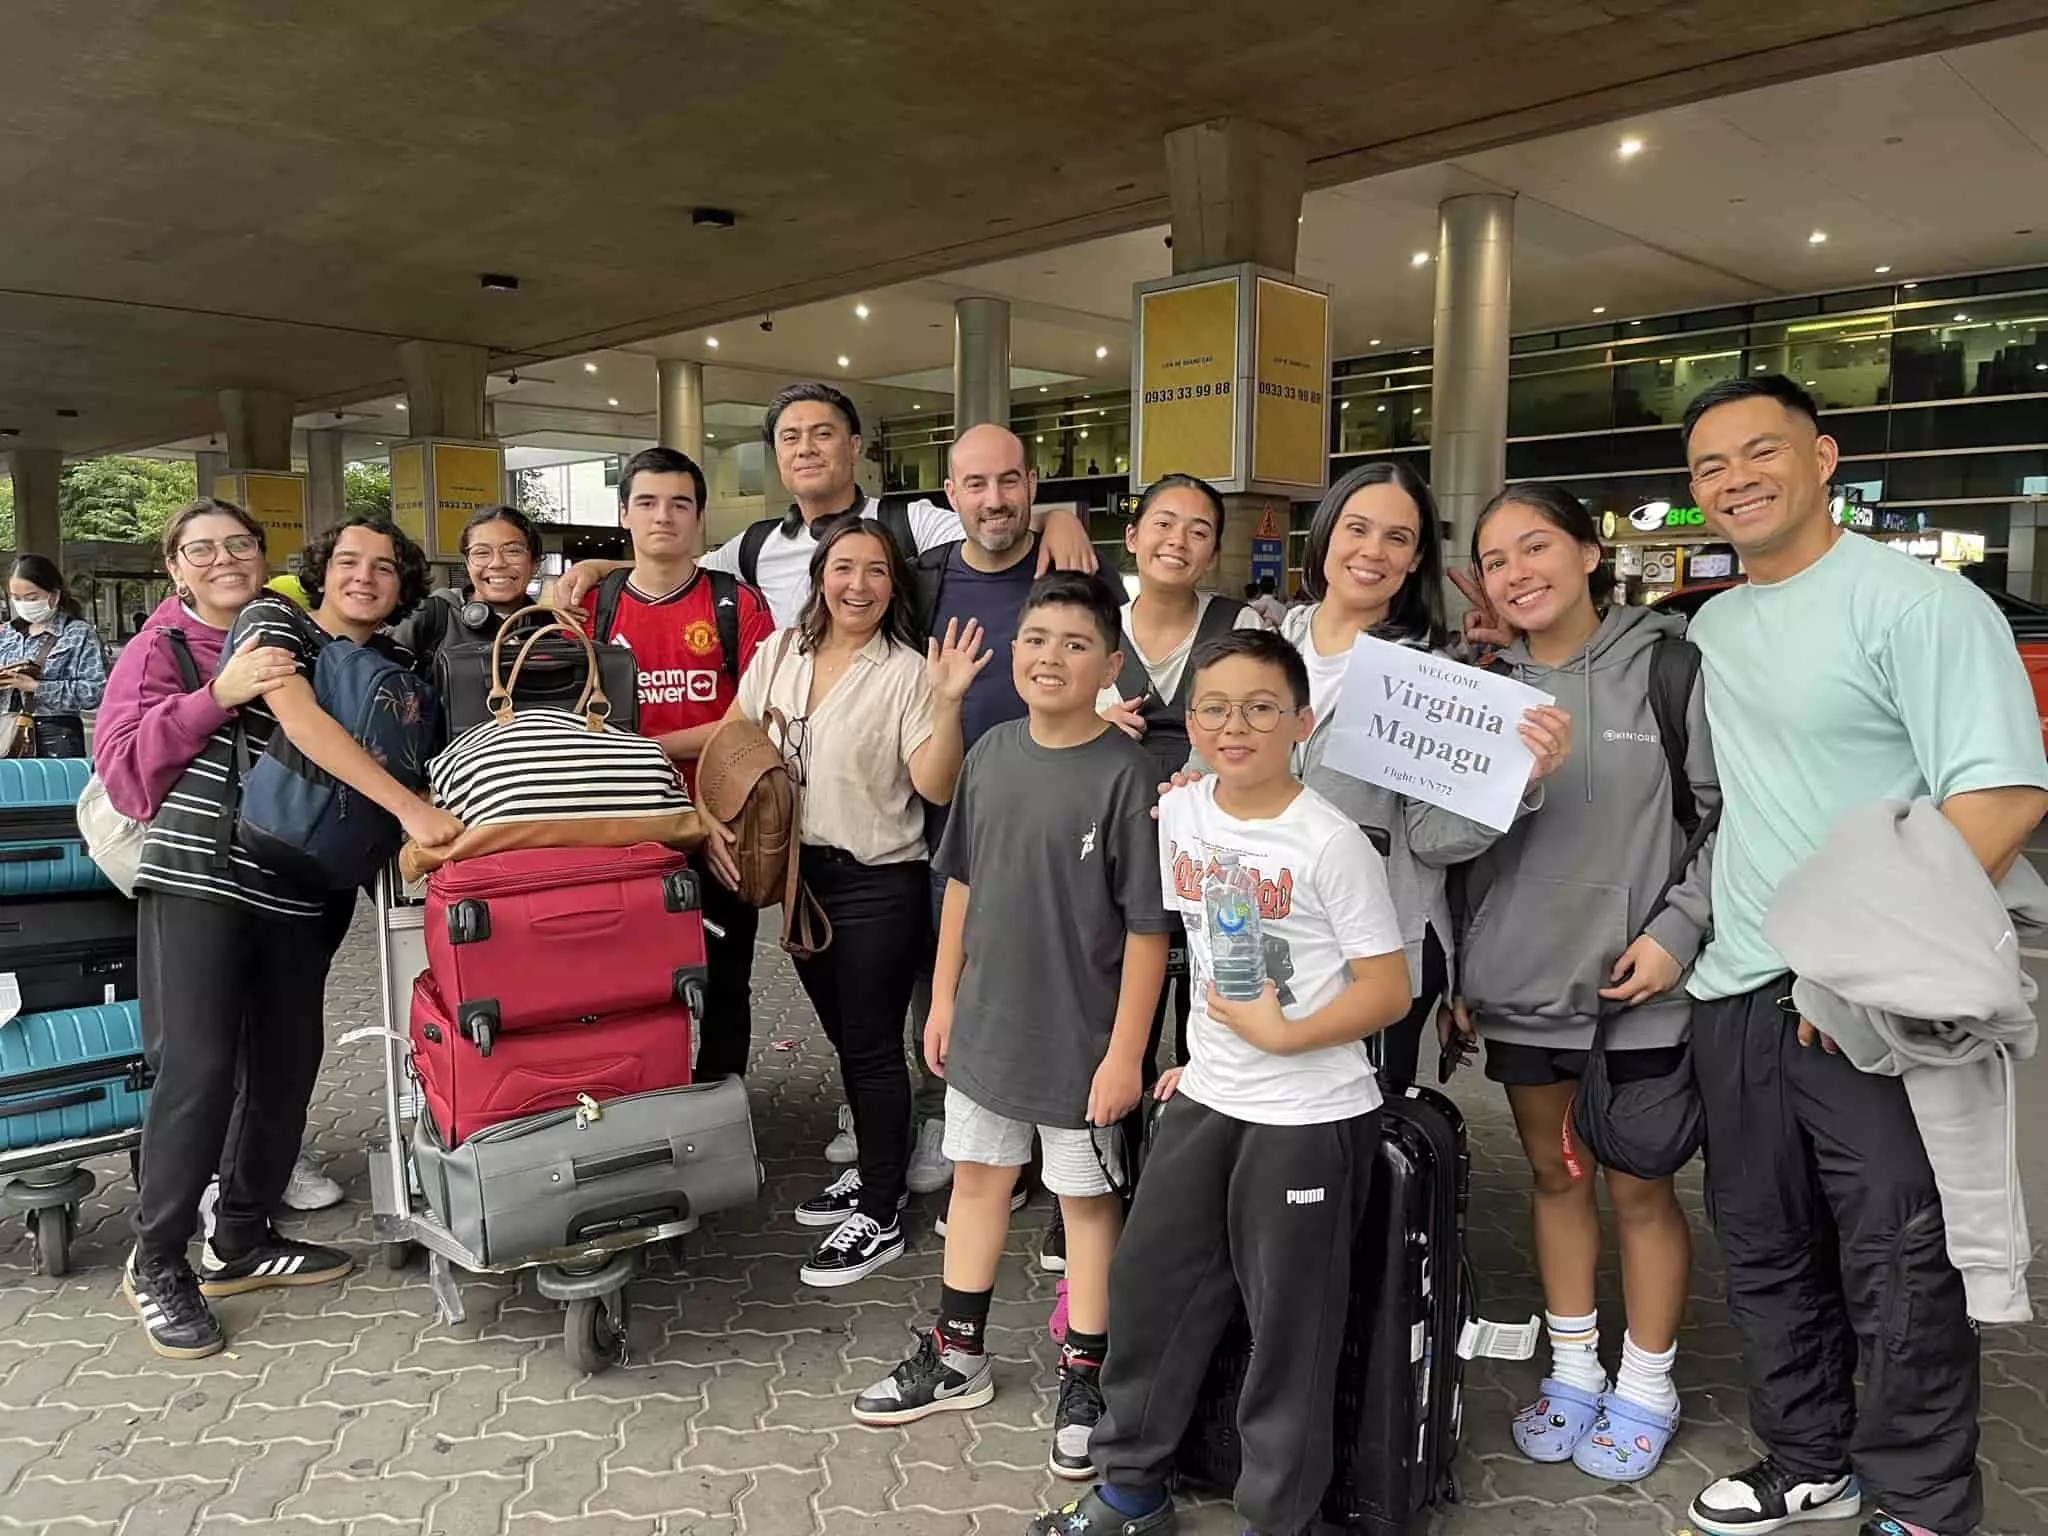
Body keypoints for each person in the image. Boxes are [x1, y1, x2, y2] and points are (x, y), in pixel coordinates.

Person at [1676, 376, 2048, 1536]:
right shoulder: (1714, 624)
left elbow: (1999, 798)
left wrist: (1852, 969)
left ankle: (1922, 1501)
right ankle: (1806, 1458)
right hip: (1734, 989)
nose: (1732, 480)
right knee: (1762, 1249)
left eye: (1757, 452)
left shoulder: (1920, 607)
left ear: (1824, 456)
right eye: (1706, 468)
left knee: (1895, 1265)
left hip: (1865, 1005)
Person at [1028, 628, 1414, 1536]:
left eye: (1260, 708)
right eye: (1214, 707)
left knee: (1291, 1336)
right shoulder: (1185, 812)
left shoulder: (1331, 845)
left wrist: (1288, 1035)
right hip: (1206, 1100)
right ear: (1191, 722)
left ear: (1301, 724)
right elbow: (1211, 950)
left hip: (1308, 1116)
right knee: (1154, 1296)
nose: (1235, 725)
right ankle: (1129, 1493)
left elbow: (1389, 991)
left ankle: (1279, 1518)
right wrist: (1200, 1059)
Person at [115, 506, 462, 1359]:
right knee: (197, 1068)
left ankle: (241, 1237)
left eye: (384, 567)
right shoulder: (275, 621)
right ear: (318, 569)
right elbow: (304, 723)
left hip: (303, 892)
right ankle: (157, 1261)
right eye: (348, 560)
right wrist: (414, 813)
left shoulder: (400, 665)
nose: (364, 576)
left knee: (286, 1065)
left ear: (403, 587)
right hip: (207, 869)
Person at [851, 574, 1173, 1485]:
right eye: (1036, 640)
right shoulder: (990, 753)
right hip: (986, 1026)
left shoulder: (1129, 776)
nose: (1051, 658)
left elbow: (1151, 930)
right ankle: (958, 1355)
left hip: (1082, 1046)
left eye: (1076, 644)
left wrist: (1123, 1055)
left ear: (1111, 664)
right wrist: (944, 1000)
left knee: (1084, 1207)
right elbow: (960, 887)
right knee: (979, 1184)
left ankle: (1087, 1375)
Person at [1447, 481, 1717, 1485]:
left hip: (1636, 989)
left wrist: (1675, 936)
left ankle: (1646, 1383)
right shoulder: (1478, 685)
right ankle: (1571, 1371)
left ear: (1588, 553)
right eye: (1497, 560)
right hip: (1519, 988)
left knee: (1639, 1188)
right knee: (1553, 1177)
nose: (1518, 574)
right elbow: (1444, 844)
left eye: (1535, 548)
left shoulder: (1669, 667)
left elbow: (1722, 816)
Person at [714, 515, 987, 1286]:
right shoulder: (779, 652)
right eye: (843, 568)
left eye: (875, 570)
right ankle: (876, 1167)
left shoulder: (906, 670)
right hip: (799, 879)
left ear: (893, 584)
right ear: (820, 578)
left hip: (878, 882)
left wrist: (949, 702)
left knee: (870, 1048)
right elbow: (738, 736)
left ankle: (882, 1208)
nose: (857, 584)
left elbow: (934, 785)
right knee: (846, 1038)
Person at [893, 425, 1132, 1222]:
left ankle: (1073, 1155)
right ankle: (969, 1126)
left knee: (1074, 984)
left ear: (1032, 485)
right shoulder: (921, 581)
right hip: (963, 826)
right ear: (950, 496)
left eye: (1009, 483)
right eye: (974, 485)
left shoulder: (1068, 566)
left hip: (1074, 827)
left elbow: (1118, 662)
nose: (993, 500)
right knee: (954, 985)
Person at [1274, 461, 1569, 1090]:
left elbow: (1435, 841)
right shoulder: (1262, 644)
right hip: (1266, 939)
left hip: (1378, 954)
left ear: (1415, 562)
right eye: (1357, 528)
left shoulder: (1427, 682)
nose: (1372, 552)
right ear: (1324, 536)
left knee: (1353, 1150)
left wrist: (1513, 782)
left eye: (1398, 538)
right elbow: (1211, 762)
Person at [553, 382, 1102, 628]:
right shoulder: (754, 544)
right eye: (790, 439)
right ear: (776, 455)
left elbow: (988, 524)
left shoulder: (905, 524)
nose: (807, 449)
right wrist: (601, 566)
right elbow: (677, 573)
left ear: (855, 447)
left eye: (822, 434)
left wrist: (1055, 521)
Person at [571, 447, 775, 1084]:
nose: (664, 516)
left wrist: (650, 750)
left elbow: (753, 722)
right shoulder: (589, 607)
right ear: (624, 514)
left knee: (724, 983)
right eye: (648, 503)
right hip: (621, 829)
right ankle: (635, 1107)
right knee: (622, 987)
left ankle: (720, 1105)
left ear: (700, 519)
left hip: (723, 826)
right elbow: (567, 724)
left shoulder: (735, 604)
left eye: (680, 504)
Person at [1098, 474, 1266, 1082]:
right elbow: (1051, 723)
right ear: (1133, 536)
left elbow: (1266, 728)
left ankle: (1199, 1160)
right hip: (1120, 856)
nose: (1178, 541)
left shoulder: (1241, 624)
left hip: (1216, 859)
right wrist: (1096, 725)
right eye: (1164, 524)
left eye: (1199, 531)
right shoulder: (1096, 627)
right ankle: (1112, 1160)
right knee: (1120, 1025)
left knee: (1215, 1019)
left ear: (1214, 553)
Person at [390, 504, 541, 658]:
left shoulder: (551, 626)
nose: (497, 563)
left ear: (535, 563)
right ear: (467, 564)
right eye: (481, 552)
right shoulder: (431, 616)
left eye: (513, 551)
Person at [0, 553, 106, 758]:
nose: (23, 604)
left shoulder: (78, 633)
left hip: (57, 736)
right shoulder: (6, 634)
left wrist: (36, 687)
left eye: (32, 598)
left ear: (54, 595)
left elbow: (96, 691)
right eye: (16, 598)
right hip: (7, 733)